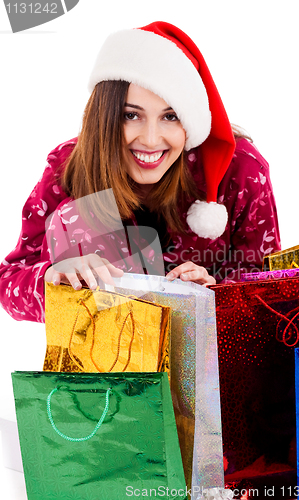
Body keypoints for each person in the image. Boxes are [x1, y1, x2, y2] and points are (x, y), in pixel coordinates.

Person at [0, 21, 280, 323]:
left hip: (207, 361)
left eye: (170, 116)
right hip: (103, 360)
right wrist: (53, 277)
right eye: (131, 115)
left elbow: (269, 284)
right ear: (104, 116)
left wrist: (213, 293)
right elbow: (10, 281)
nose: (149, 139)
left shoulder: (240, 170)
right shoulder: (69, 166)